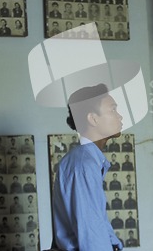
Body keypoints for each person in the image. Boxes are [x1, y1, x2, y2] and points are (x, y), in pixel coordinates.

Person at [52, 84, 124, 250]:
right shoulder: (84, 165)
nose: (120, 116)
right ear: (93, 119)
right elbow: (92, 233)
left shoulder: (85, 160)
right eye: (113, 110)